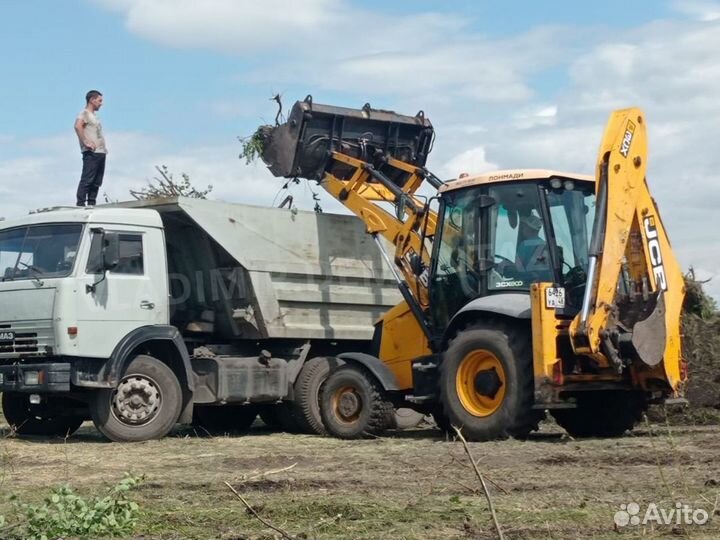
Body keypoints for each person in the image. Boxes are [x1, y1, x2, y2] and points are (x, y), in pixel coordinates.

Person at [74, 90, 107, 207]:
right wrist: (85, 141)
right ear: (92, 100)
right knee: (87, 179)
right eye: (99, 100)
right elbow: (78, 126)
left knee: (97, 181)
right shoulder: (85, 113)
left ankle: (92, 203)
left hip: (100, 152)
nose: (101, 103)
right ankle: (81, 203)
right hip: (91, 152)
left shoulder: (94, 116)